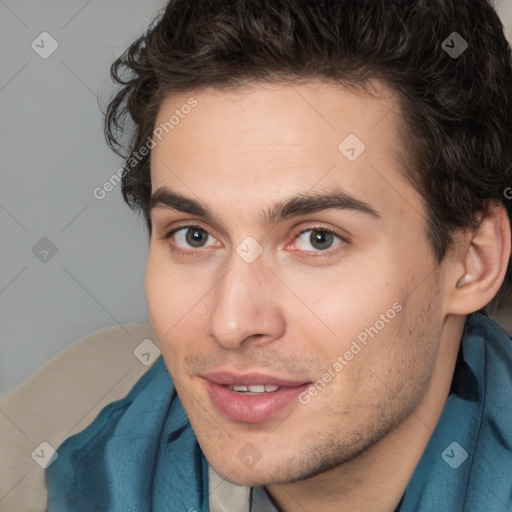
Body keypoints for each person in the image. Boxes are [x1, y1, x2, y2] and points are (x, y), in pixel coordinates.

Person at [45, 0, 512, 510]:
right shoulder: (69, 478)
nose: (230, 322)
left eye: (317, 239)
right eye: (194, 236)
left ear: (473, 261)